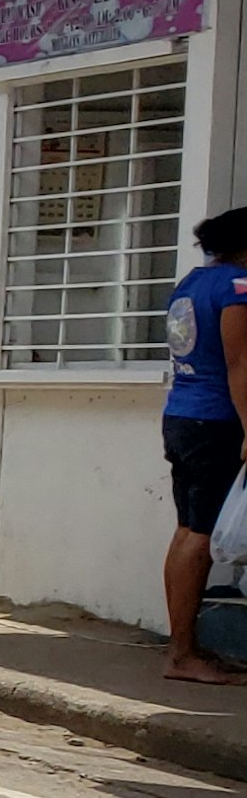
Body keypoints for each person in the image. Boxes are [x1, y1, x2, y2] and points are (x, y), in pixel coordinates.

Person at [160, 201, 247, 685]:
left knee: (187, 530)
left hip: (184, 415)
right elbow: (241, 366)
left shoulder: (191, 284)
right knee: (202, 535)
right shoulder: (237, 289)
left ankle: (182, 648)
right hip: (217, 422)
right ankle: (183, 654)